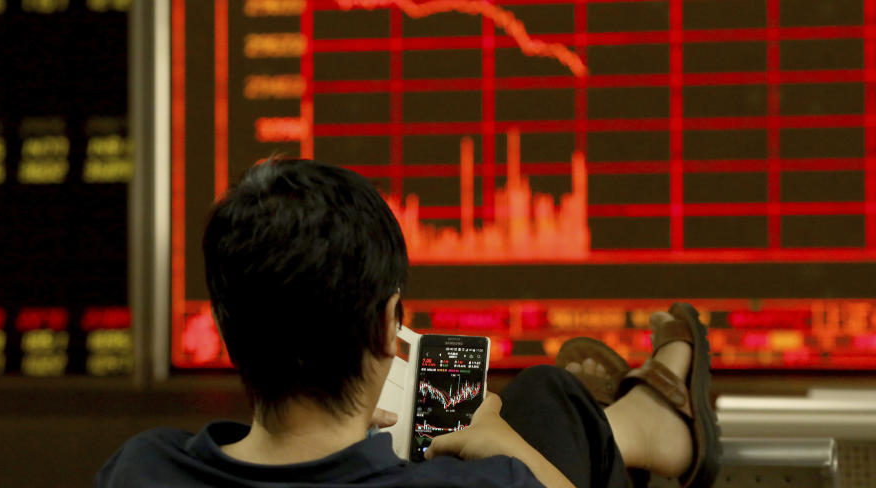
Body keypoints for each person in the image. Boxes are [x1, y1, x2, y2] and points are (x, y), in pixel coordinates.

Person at [96, 159, 720, 488]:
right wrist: (499, 443)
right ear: (385, 330)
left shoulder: (140, 469)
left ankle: (639, 426)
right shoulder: (484, 485)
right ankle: (650, 426)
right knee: (542, 396)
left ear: (228, 329)